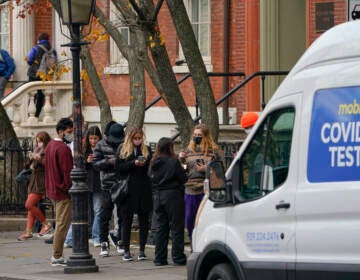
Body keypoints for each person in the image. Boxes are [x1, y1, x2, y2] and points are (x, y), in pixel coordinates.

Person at [179, 123, 223, 241]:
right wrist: (182, 160)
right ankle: (193, 243)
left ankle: (204, 243)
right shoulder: (188, 151)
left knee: (205, 220)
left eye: (199, 135)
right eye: (195, 135)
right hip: (190, 190)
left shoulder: (213, 152)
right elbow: (183, 170)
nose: (196, 137)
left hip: (206, 190)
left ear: (205, 136)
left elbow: (220, 173)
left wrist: (207, 169)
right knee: (189, 220)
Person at [148, 137, 187, 266]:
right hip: (173, 195)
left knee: (161, 228)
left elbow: (151, 177)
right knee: (176, 227)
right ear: (170, 147)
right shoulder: (173, 161)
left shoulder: (154, 162)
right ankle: (178, 257)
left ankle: (159, 258)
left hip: (159, 196)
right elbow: (182, 178)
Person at [117, 127, 152, 261]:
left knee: (144, 221)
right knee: (127, 220)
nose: (138, 141)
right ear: (130, 139)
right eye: (135, 138)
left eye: (140, 138)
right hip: (129, 189)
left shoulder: (146, 149)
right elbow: (119, 168)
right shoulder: (123, 149)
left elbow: (151, 165)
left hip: (144, 188)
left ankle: (142, 250)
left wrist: (145, 162)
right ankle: (126, 250)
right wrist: (133, 163)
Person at [92, 122, 125, 257]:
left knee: (122, 216)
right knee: (104, 215)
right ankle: (104, 242)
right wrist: (108, 162)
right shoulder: (100, 145)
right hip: (106, 185)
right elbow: (95, 164)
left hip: (122, 184)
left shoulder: (124, 144)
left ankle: (121, 241)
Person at [45, 118, 73, 266]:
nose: (71, 134)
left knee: (60, 223)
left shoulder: (50, 145)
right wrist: (68, 187)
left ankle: (57, 255)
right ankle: (57, 256)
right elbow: (67, 172)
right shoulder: (63, 148)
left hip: (53, 190)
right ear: (61, 131)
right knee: (62, 224)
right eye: (69, 131)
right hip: (62, 192)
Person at [17, 131, 53, 241]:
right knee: (31, 208)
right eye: (38, 141)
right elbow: (27, 166)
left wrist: (39, 158)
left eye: (41, 141)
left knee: (29, 205)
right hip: (33, 181)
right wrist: (31, 157)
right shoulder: (36, 149)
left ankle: (46, 223)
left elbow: (48, 164)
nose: (39, 143)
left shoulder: (48, 150)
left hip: (40, 182)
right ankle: (28, 232)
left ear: (45, 141)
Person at [27, 33, 57, 118]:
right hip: (46, 76)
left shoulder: (35, 48)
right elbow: (54, 63)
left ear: (39, 40)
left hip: (34, 74)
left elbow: (29, 60)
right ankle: (36, 115)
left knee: (32, 95)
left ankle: (30, 115)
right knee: (41, 96)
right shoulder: (52, 50)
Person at [84, 126, 102, 247]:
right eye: (91, 138)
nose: (93, 141)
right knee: (85, 211)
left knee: (98, 210)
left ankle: (96, 236)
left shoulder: (102, 149)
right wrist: (87, 162)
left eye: (95, 138)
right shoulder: (85, 149)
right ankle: (85, 234)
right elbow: (79, 166)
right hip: (86, 184)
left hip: (98, 184)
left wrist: (95, 162)